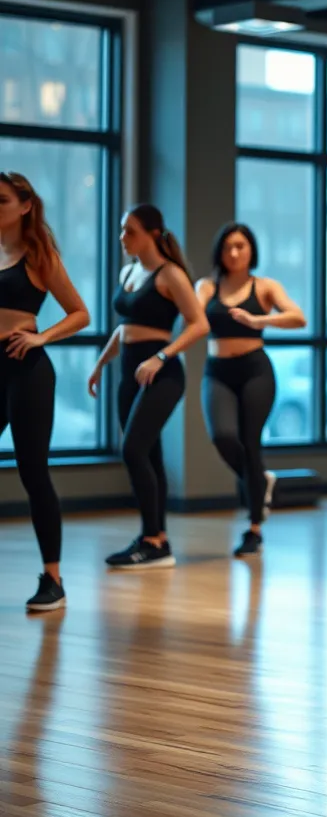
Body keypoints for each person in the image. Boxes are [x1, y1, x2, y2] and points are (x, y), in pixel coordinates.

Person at [88, 204, 209, 570]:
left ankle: (153, 539)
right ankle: (156, 540)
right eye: (122, 230)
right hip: (129, 374)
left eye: (130, 231)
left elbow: (199, 324)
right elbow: (124, 327)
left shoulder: (170, 274)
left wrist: (161, 356)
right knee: (149, 454)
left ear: (153, 234)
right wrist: (101, 363)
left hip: (162, 376)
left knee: (133, 449)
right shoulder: (129, 272)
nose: (122, 237)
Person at [0, 173, 89, 610]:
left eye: (1, 200)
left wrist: (41, 337)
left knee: (33, 471)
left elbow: (80, 313)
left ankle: (52, 580)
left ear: (25, 206)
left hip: (26, 368)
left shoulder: (38, 255)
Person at [196, 223, 306, 557]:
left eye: (240, 246)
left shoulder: (265, 287)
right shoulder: (207, 286)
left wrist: (260, 321)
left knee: (250, 441)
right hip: (217, 372)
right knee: (223, 437)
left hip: (255, 370)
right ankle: (259, 479)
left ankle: (254, 528)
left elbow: (298, 318)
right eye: (227, 247)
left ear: (251, 250)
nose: (233, 253)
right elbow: (192, 317)